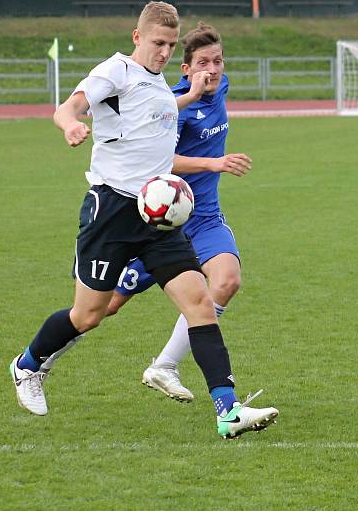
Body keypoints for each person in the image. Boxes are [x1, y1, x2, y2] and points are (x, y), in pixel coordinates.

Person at [9, 3, 278, 439]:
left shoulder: (158, 88)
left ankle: (227, 411)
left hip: (158, 217)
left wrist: (192, 96)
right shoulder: (114, 72)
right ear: (137, 37)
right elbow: (69, 106)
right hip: (110, 212)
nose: (164, 53)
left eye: (171, 46)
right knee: (89, 314)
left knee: (200, 304)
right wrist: (70, 126)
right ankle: (27, 365)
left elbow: (162, 118)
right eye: (158, 43)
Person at [39, 22, 251, 405]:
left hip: (198, 220)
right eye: (202, 62)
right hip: (151, 213)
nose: (213, 69)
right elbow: (160, 157)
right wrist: (212, 163)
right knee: (101, 309)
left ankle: (177, 374)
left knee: (222, 283)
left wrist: (200, 82)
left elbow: (171, 102)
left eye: (218, 61)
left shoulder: (214, 88)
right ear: (184, 70)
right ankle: (38, 358)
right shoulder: (153, 93)